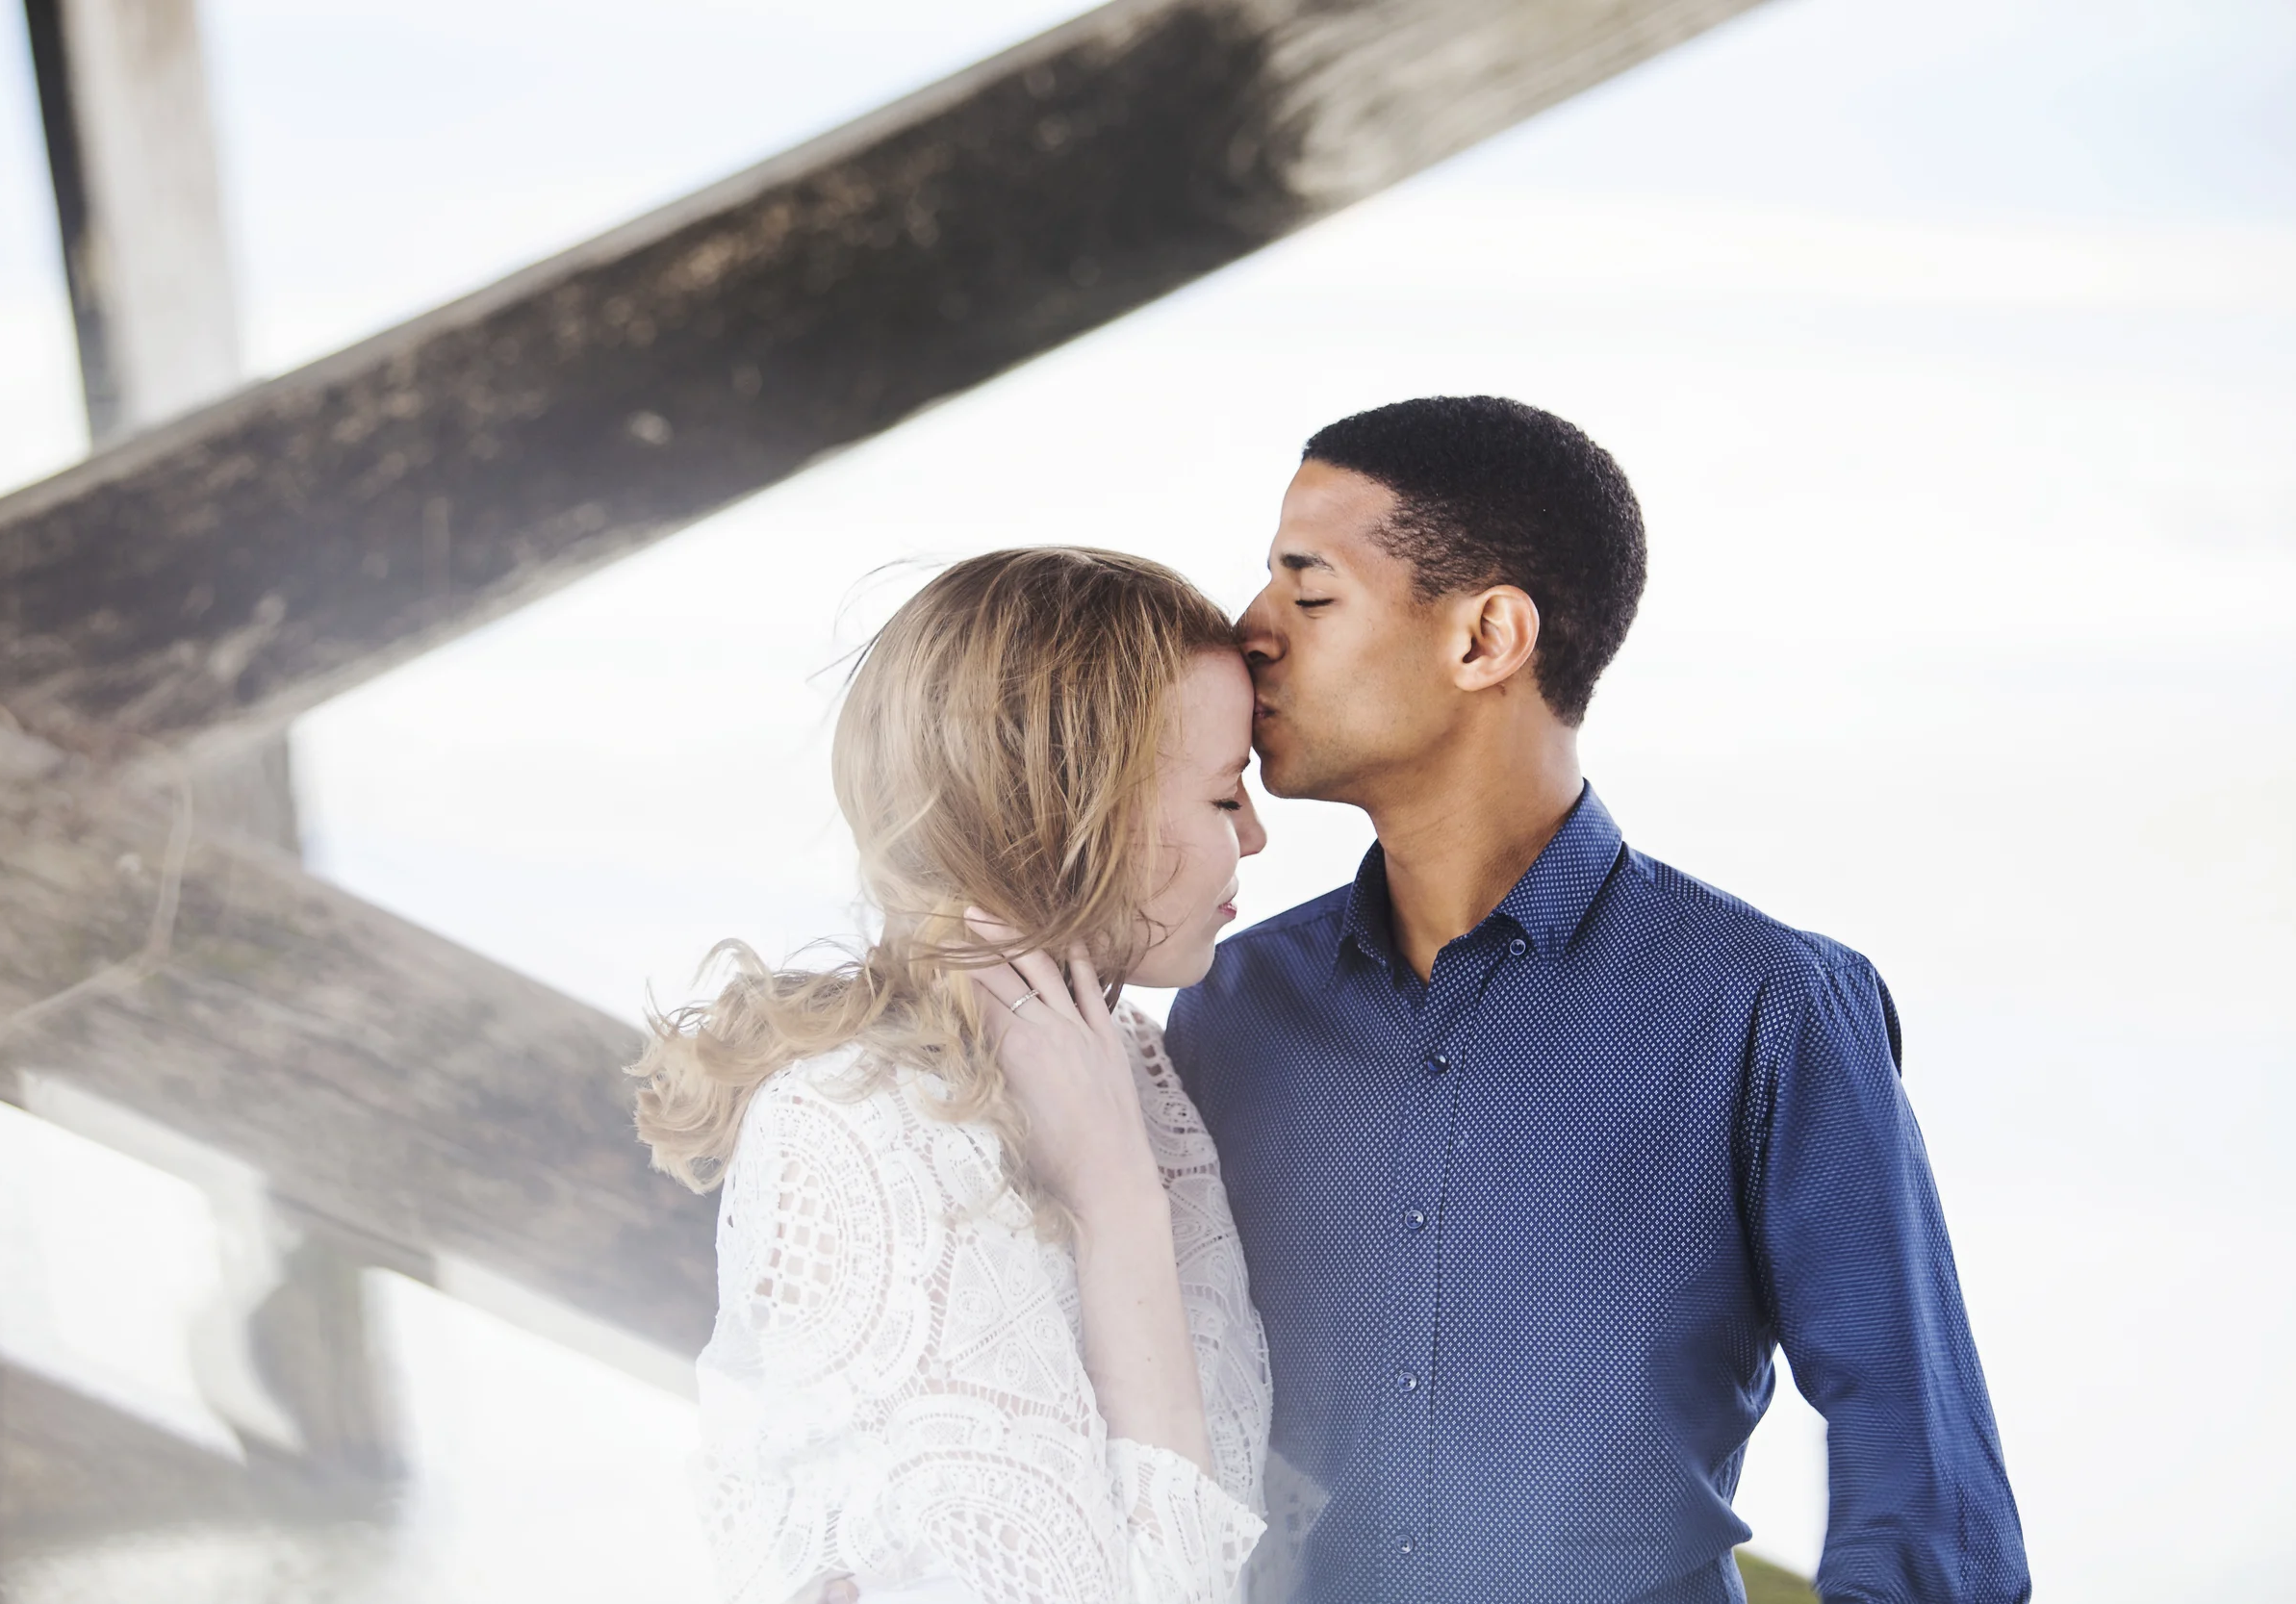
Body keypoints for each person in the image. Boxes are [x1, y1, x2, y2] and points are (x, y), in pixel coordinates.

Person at [1165, 397, 2032, 1603]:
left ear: (1487, 638)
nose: (1247, 630)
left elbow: (1923, 1482)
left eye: (1307, 593)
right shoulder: (1226, 1009)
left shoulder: (1768, 1007)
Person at [634, 548, 1273, 1604]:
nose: (1254, 830)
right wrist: (1115, 1201)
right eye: (1222, 793)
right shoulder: (852, 1125)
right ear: (1079, 811)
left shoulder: (1135, 1068)